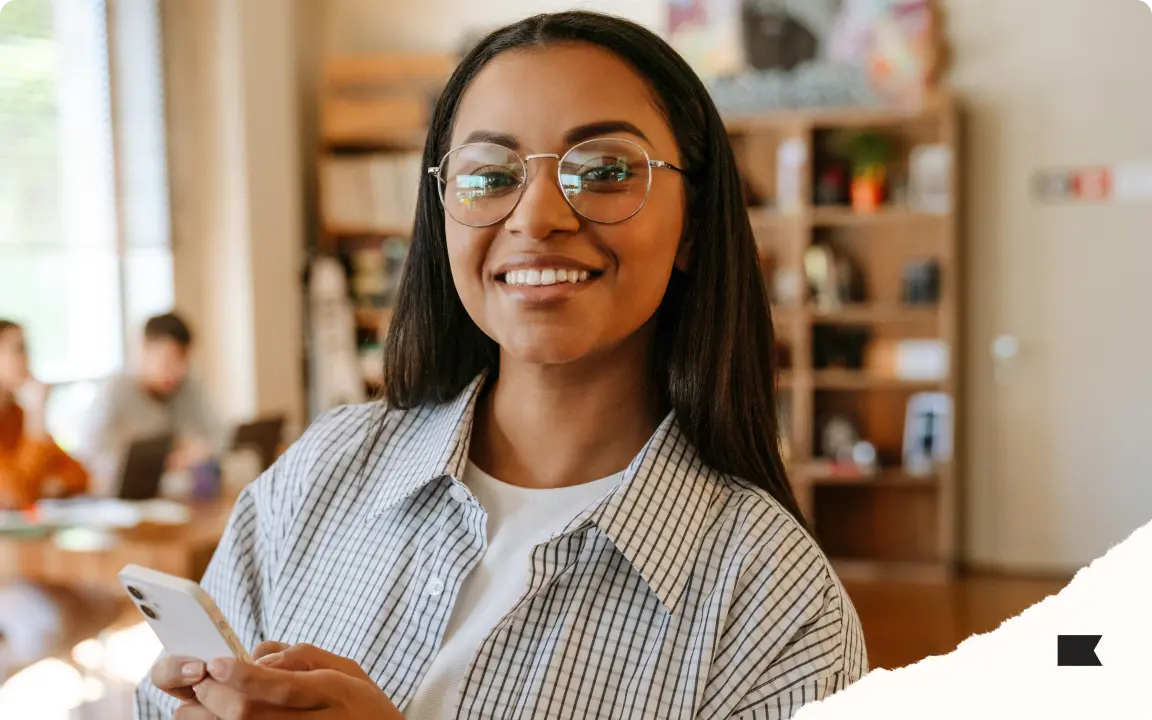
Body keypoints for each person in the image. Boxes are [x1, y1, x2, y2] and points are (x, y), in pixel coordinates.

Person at [138, 11, 867, 720]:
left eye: (606, 169)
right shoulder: (324, 472)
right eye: (490, 177)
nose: (536, 215)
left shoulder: (782, 608)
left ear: (693, 226)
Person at [76, 312, 226, 495]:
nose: (178, 370)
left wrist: (198, 450)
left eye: (183, 360)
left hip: (176, 500)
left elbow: (220, 435)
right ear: (144, 349)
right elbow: (90, 459)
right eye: (169, 359)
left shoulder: (187, 387)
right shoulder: (115, 391)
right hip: (121, 502)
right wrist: (160, 463)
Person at [0, 319, 88, 509]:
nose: (28, 359)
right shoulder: (31, 418)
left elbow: (80, 476)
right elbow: (15, 496)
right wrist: (36, 414)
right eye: (19, 349)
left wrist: (49, 484)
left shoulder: (16, 415)